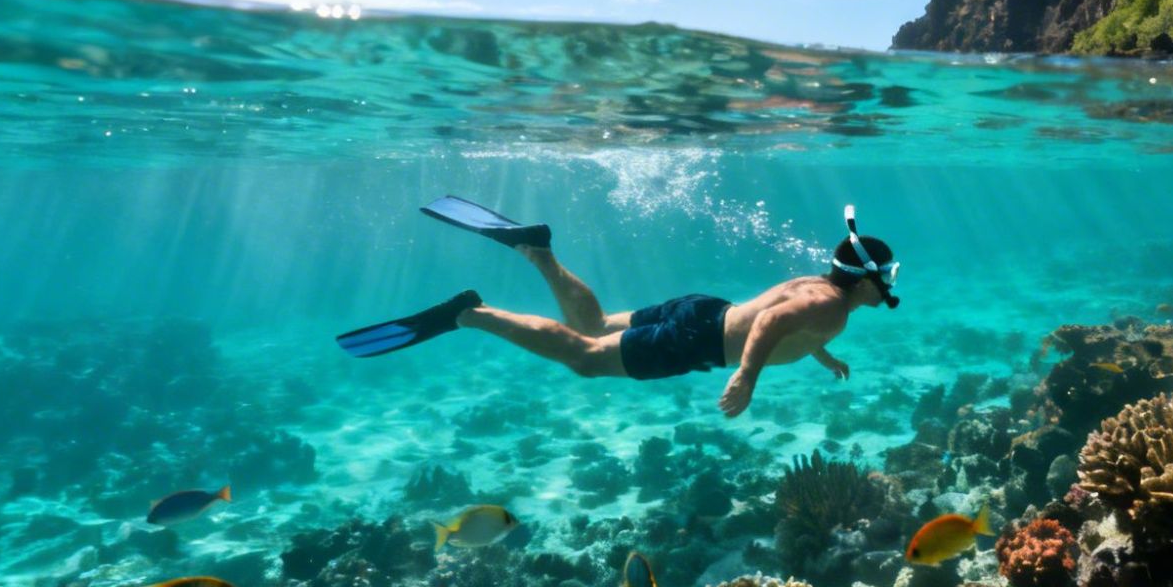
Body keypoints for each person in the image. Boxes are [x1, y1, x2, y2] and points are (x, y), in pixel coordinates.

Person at [338, 199, 897, 417]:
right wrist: (747, 378)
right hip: (699, 343)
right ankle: (469, 314)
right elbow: (775, 322)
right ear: (867, 278)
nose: (888, 286)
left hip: (703, 310)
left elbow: (789, 317)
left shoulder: (818, 288)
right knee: (584, 355)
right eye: (887, 276)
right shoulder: (835, 311)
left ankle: (539, 252)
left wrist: (823, 359)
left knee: (595, 323)